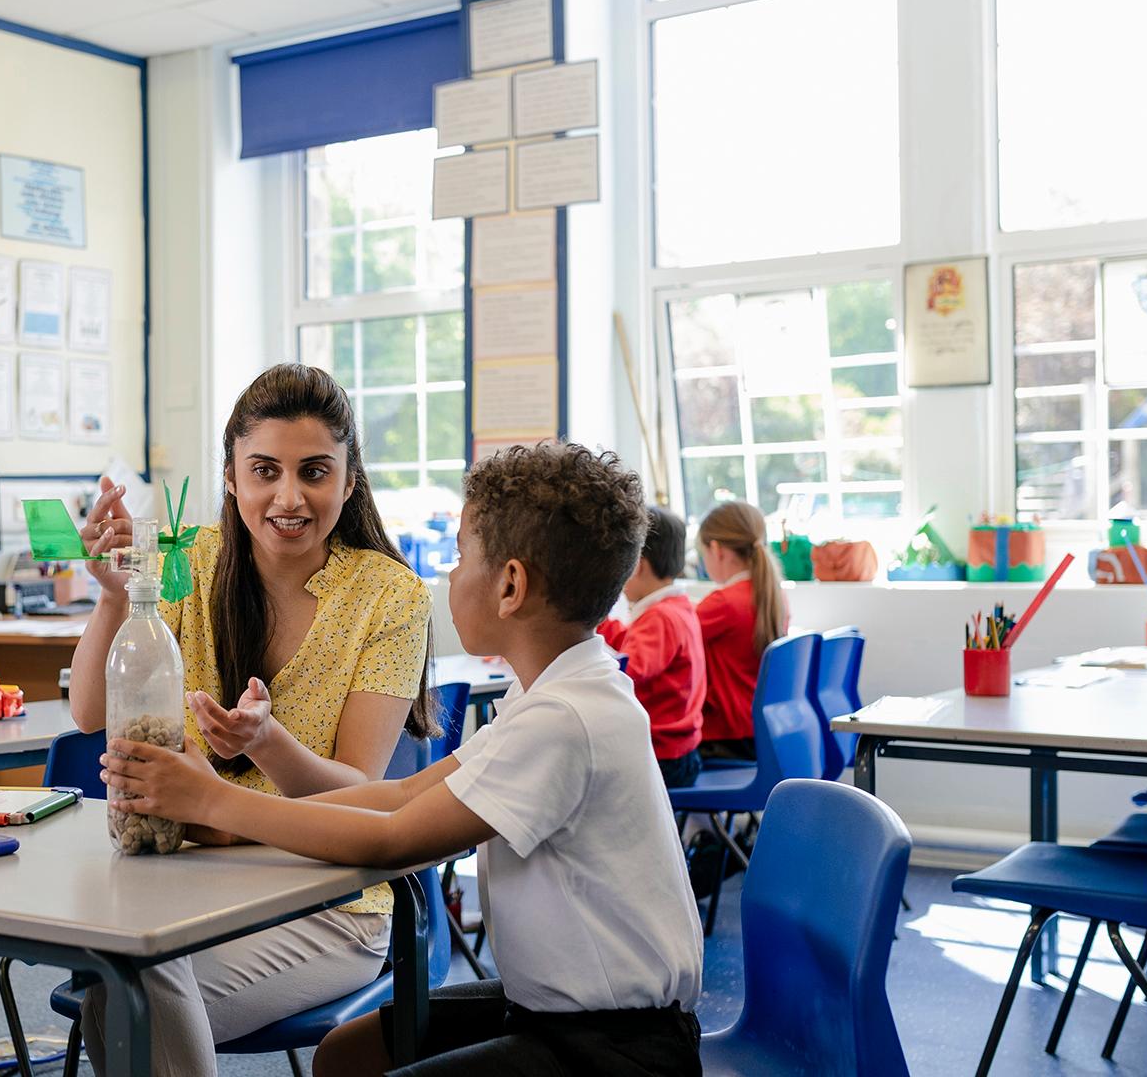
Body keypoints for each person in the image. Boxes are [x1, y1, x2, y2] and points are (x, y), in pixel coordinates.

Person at [100, 444, 704, 1077]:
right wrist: (227, 815)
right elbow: (404, 794)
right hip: (562, 1011)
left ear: (510, 585)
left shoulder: (565, 720)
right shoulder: (554, 691)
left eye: (461, 556)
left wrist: (214, 799)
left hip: (617, 1047)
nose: (448, 573)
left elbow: (394, 839)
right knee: (348, 1055)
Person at [68, 364, 434, 1075]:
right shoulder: (188, 560)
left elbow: (359, 792)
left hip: (332, 899)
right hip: (188, 877)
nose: (288, 497)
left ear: (350, 480)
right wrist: (113, 597)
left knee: (128, 993)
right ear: (231, 476)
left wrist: (270, 746)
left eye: (315, 472)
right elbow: (88, 711)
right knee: (124, 981)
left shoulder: (391, 595)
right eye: (264, 470)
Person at [598, 506, 706, 787]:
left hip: (664, 757)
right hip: (681, 752)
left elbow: (628, 672)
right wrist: (599, 622)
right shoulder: (676, 607)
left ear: (636, 565)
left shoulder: (659, 617)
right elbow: (634, 646)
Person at [693, 501, 788, 761]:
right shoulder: (773, 595)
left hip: (726, 737)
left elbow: (676, 638)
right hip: (759, 733)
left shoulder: (723, 603)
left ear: (716, 549)